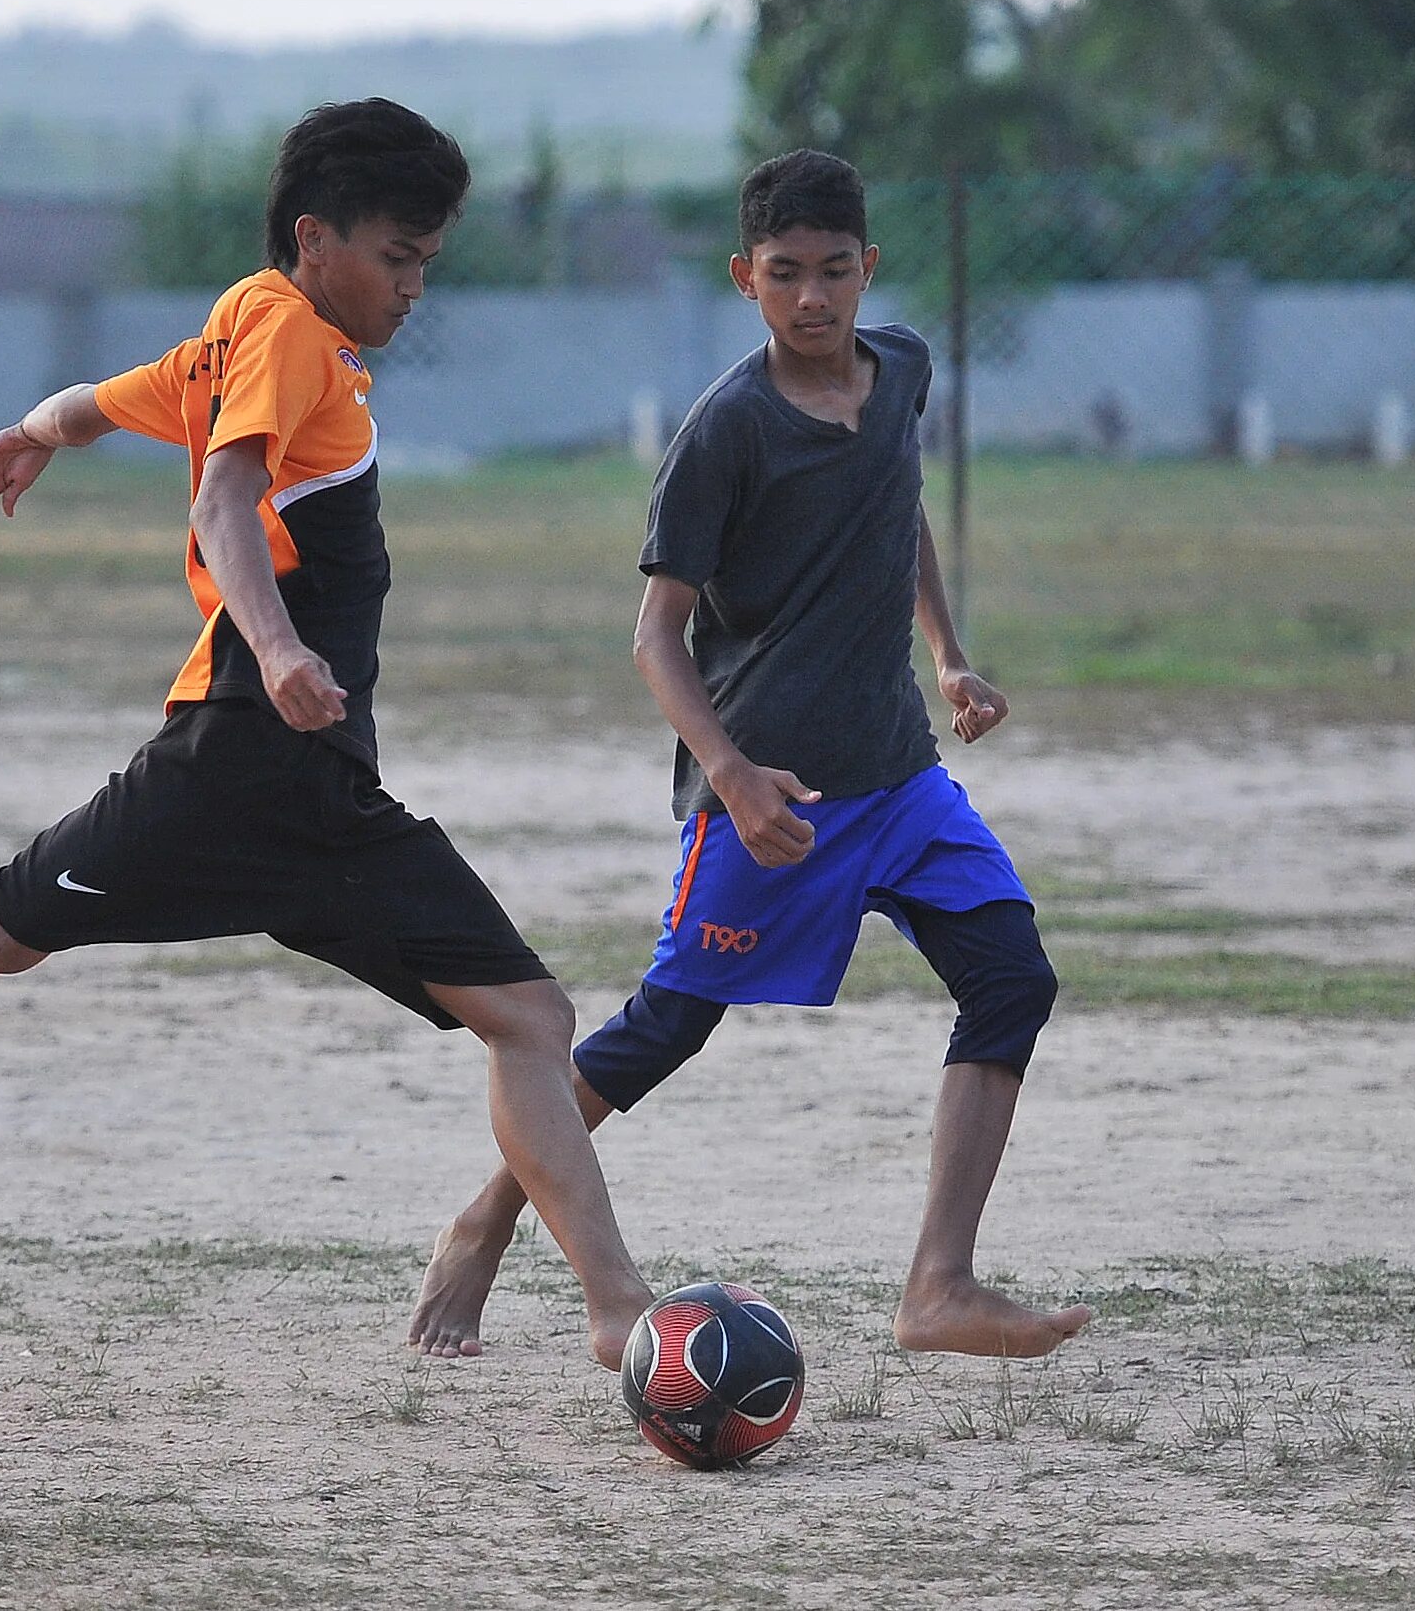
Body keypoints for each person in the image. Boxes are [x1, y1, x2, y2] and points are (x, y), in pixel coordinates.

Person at [0, 99, 657, 1370]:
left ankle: (611, 1310)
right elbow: (222, 495)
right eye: (397, 256)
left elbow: (102, 400)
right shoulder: (284, 329)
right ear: (316, 240)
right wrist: (276, 647)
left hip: (320, 788)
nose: (415, 284)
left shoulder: (244, 330)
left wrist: (30, 437)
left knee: (531, 1015)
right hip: (235, 761)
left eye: (427, 259)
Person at [408, 149, 1093, 1363]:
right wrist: (729, 772)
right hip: (771, 794)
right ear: (745, 279)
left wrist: (947, 653)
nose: (814, 298)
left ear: (868, 268)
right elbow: (654, 637)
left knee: (1012, 981)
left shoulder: (903, 374)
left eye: (836, 271)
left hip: (902, 778)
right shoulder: (727, 429)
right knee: (666, 1027)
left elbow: (899, 507)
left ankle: (938, 1287)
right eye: (785, 275)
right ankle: (488, 1218)